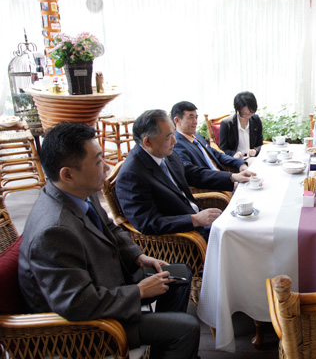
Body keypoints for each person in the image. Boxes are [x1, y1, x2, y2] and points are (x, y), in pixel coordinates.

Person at [18, 122, 201, 359]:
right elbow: (76, 303)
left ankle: (162, 346)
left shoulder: (77, 192)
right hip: (84, 329)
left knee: (180, 275)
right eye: (97, 161)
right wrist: (137, 292)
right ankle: (168, 338)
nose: (107, 166)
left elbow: (110, 229)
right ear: (68, 174)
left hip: (109, 283)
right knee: (187, 328)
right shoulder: (53, 231)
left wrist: (139, 256)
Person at [116, 109, 227, 239]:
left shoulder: (163, 152)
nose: (175, 141)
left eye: (173, 134)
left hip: (197, 219)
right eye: (168, 137)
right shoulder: (131, 175)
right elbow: (148, 223)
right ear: (148, 142)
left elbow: (191, 173)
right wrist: (194, 220)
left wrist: (232, 178)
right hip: (183, 238)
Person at [171, 101, 252, 192]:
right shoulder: (177, 145)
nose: (195, 122)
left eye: (196, 117)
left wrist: (240, 163)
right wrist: (231, 178)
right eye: (191, 117)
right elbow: (193, 174)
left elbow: (216, 154)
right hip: (215, 189)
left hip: (225, 179)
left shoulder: (196, 136)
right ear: (177, 120)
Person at [219, 91, 264, 159]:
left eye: (251, 113)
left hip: (253, 158)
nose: (248, 117)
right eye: (244, 114)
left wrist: (255, 150)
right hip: (236, 160)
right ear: (237, 110)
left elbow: (260, 144)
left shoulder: (256, 120)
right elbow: (223, 149)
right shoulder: (227, 124)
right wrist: (234, 154)